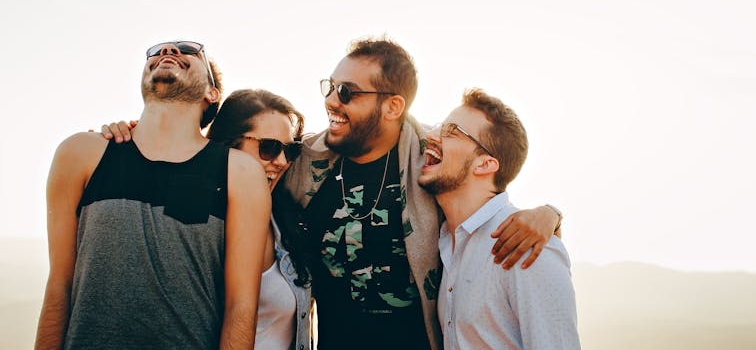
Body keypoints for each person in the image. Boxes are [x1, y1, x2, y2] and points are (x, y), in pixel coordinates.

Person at [281, 37, 564, 350]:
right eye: (330, 87)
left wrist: (549, 214)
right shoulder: (302, 163)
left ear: (393, 106)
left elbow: (483, 194)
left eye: (346, 92)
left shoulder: (430, 161)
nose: (332, 101)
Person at [35, 41, 270, 350]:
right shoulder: (80, 153)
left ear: (211, 94)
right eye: (157, 52)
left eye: (189, 51)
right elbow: (59, 285)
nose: (169, 50)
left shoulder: (239, 173)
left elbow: (240, 306)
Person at [418, 88, 580, 349]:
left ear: (484, 164)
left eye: (450, 131)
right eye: (438, 127)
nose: (431, 136)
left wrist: (552, 213)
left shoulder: (528, 247)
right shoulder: (446, 242)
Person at [205, 88, 313, 350]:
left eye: (291, 150)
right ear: (229, 145)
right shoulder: (199, 222)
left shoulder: (284, 220)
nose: (282, 161)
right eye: (269, 147)